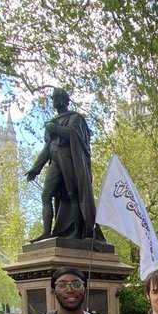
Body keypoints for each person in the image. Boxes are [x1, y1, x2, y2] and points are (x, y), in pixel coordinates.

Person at [25, 87, 99, 242]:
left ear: (66, 100)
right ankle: (47, 232)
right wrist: (36, 169)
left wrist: (55, 129)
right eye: (53, 98)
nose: (55, 100)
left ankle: (77, 232)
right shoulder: (52, 122)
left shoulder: (75, 118)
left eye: (58, 97)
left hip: (69, 159)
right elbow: (48, 147)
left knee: (73, 194)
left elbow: (75, 136)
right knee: (46, 194)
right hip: (55, 160)